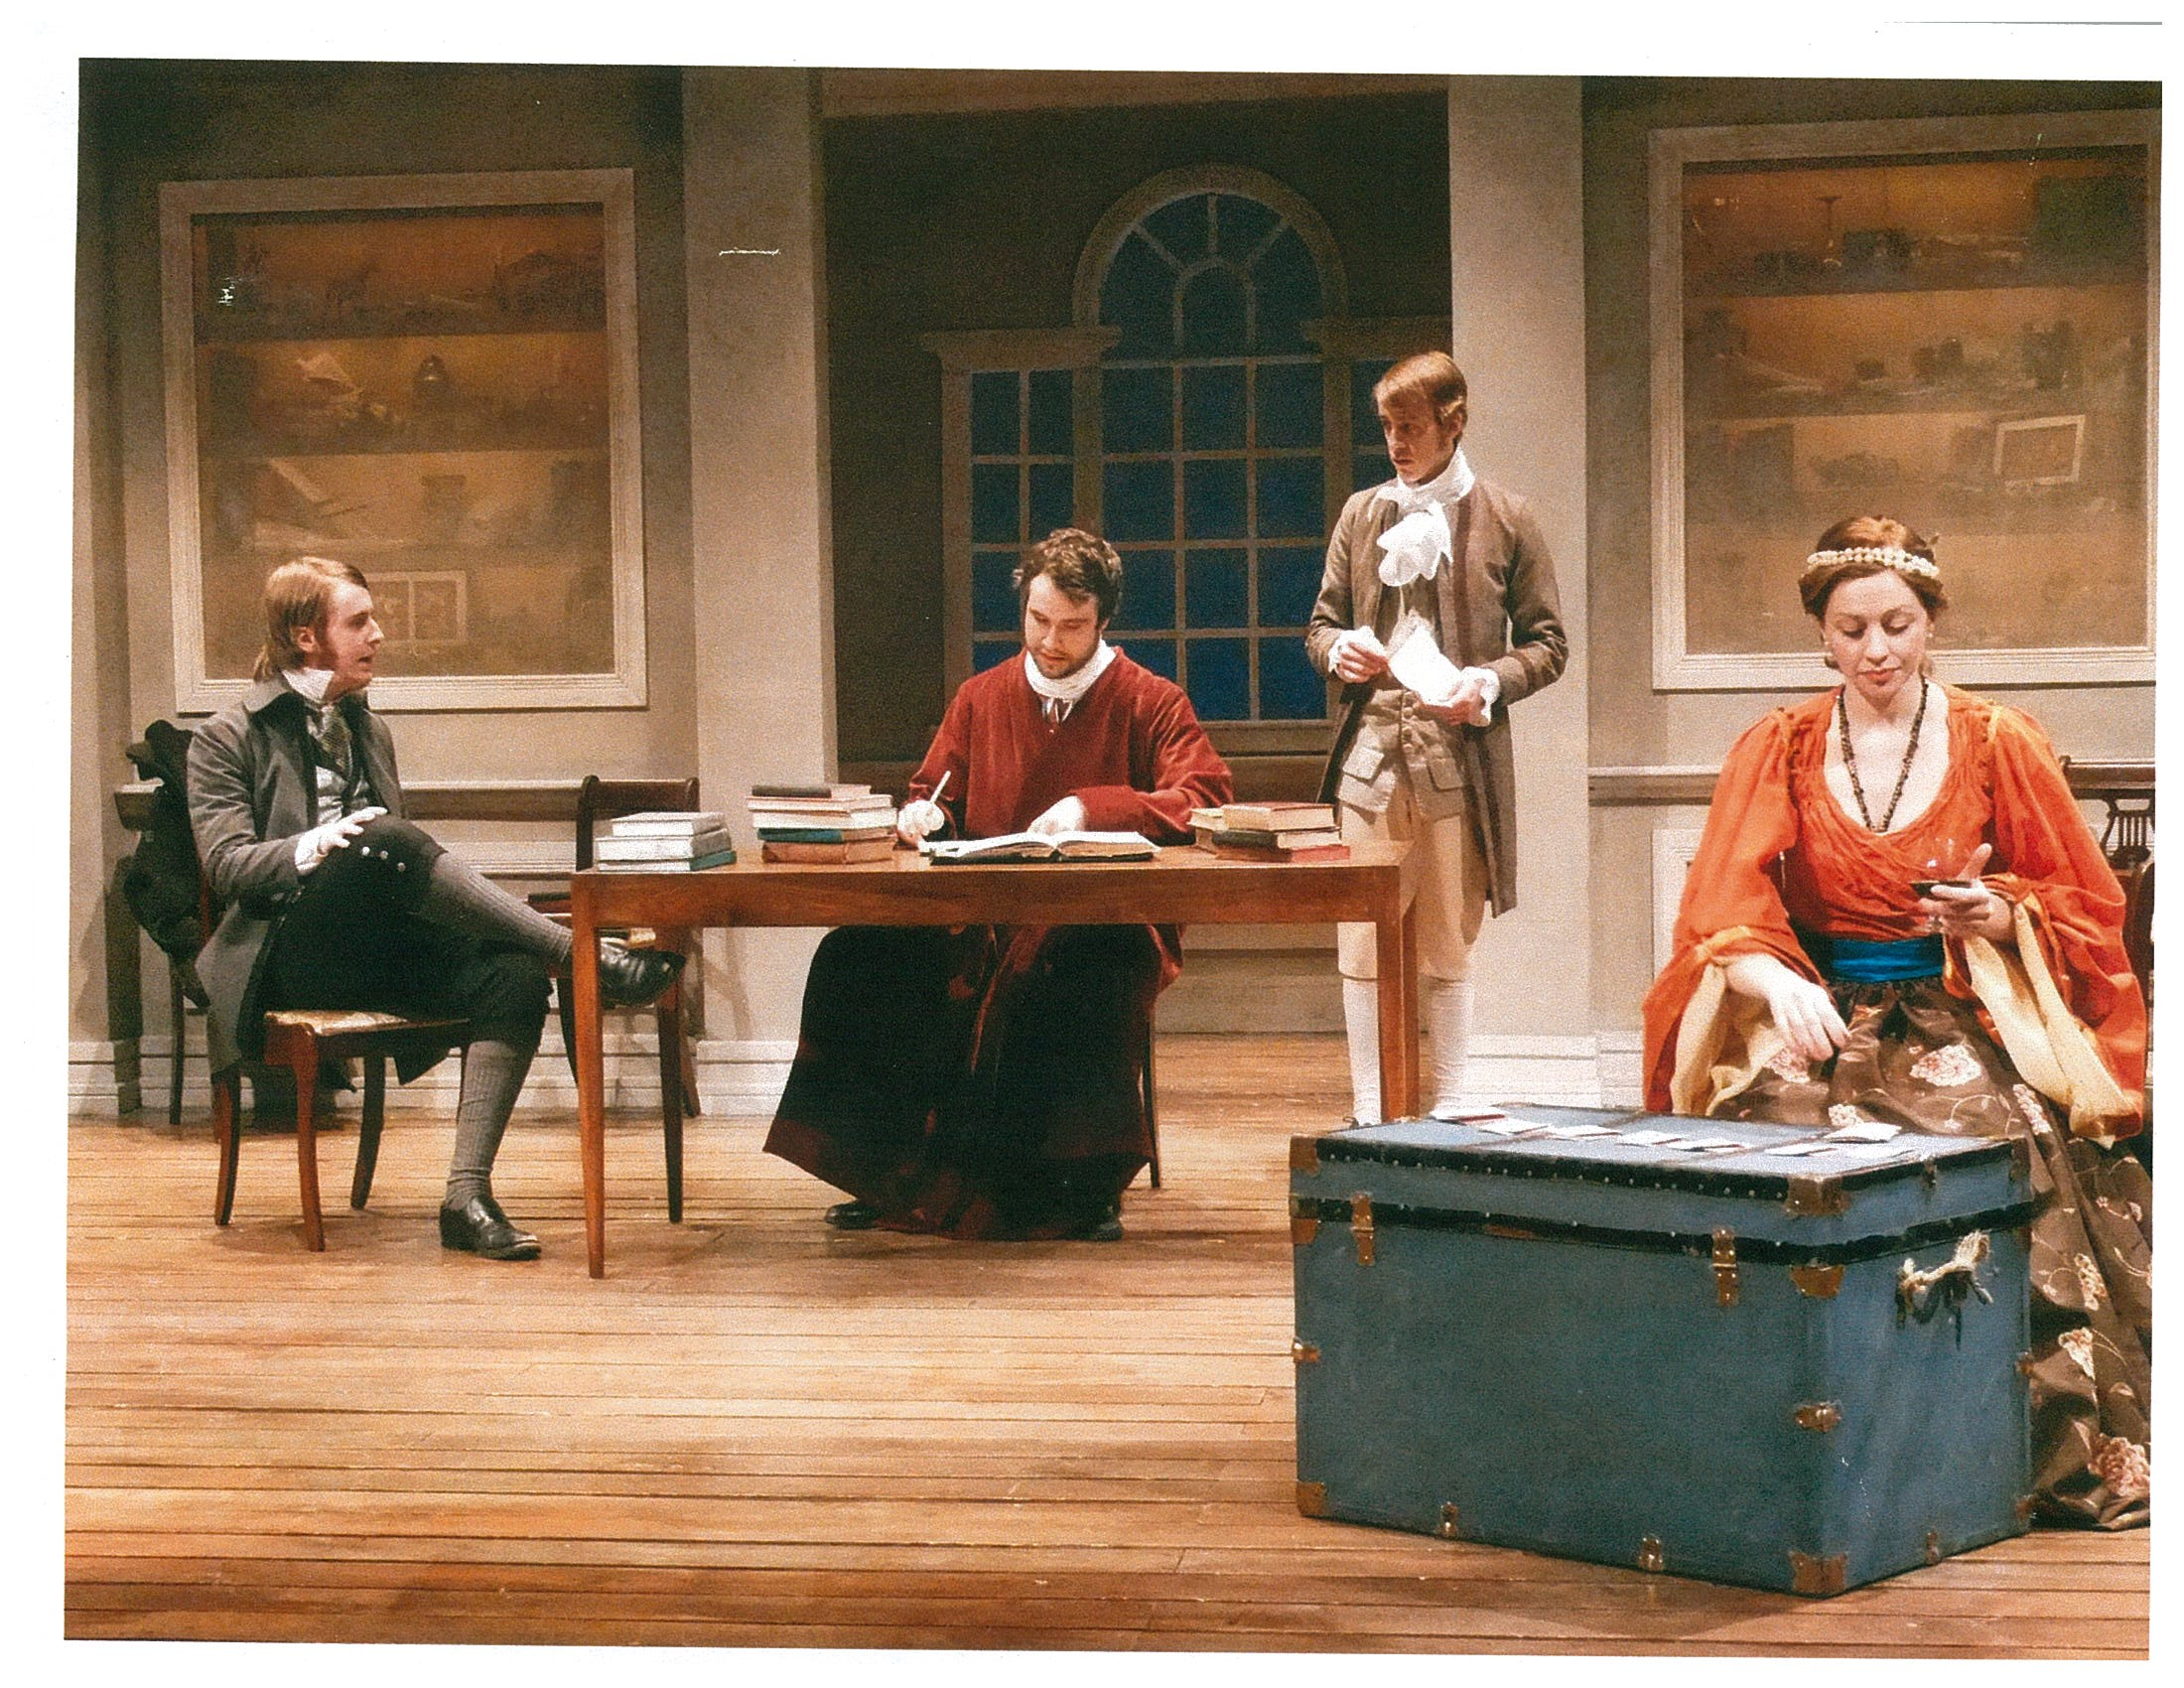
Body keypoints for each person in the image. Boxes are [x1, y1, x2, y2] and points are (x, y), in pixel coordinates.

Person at [1641, 516, 2150, 1528]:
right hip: (1823, 1012)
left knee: (2001, 1157)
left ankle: (2001, 1441)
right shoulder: (1777, 747)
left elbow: (2088, 903)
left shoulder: (1996, 740)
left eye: (1897, 624)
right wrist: (1767, 978)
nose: (1876, 649)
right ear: (1821, 638)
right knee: (1763, 1152)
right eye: (1852, 628)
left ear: (1930, 625)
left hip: (1957, 1006)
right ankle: (1778, 1428)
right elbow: (1718, 908)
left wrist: (1999, 911)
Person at [189, 556, 684, 1261]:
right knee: (381, 835)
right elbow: (227, 866)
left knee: (511, 974)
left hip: (374, 946)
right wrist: (316, 844)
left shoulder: (368, 728)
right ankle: (585, 955)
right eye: (359, 621)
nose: (377, 634)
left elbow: (402, 879)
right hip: (285, 958)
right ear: (306, 636)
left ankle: (466, 1198)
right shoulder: (227, 736)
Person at [764, 528, 1234, 1241]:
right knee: (857, 957)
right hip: (977, 915)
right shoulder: (981, 697)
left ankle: (1080, 1187)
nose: (1051, 641)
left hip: (1103, 918)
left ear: (1103, 622)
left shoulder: (1151, 700)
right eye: (1038, 621)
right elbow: (936, 790)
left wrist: (1093, 805)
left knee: (1084, 973)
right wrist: (926, 813)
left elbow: (1202, 794)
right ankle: (886, 1173)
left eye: (1073, 627)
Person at [1305, 351, 1568, 1123]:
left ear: (1454, 422)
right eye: (1386, 426)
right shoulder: (1362, 515)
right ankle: (1368, 1110)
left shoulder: (1508, 517)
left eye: (1410, 426)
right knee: (1360, 939)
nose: (1395, 442)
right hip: (1369, 762)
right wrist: (1338, 648)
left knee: (1450, 937)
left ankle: (1451, 1104)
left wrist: (1486, 681)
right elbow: (1319, 625)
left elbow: (1549, 643)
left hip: (1456, 759)